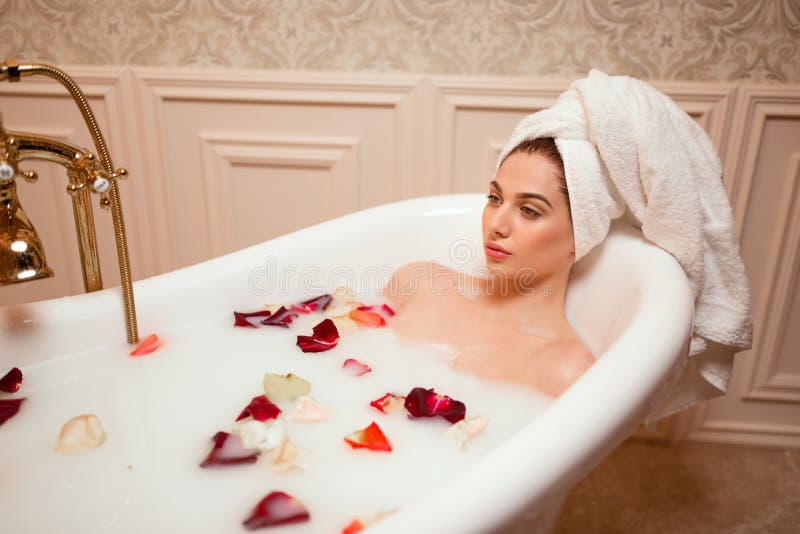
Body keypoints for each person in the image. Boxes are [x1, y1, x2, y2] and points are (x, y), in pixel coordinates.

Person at [383, 137, 595, 397]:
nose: (496, 224)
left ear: (580, 236)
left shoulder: (564, 370)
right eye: (495, 198)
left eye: (528, 210)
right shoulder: (417, 284)